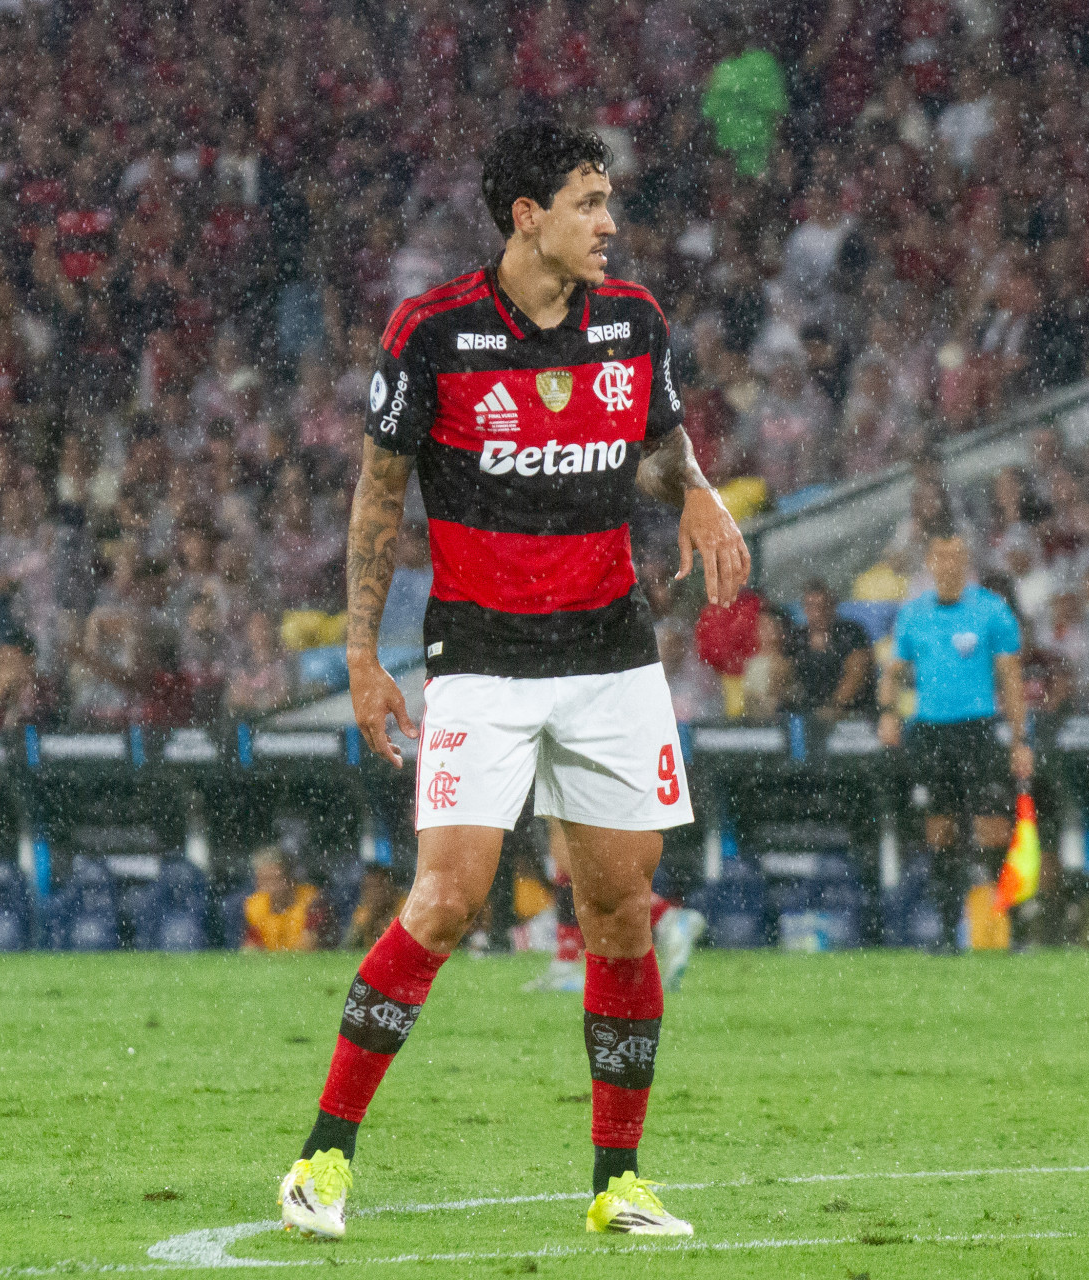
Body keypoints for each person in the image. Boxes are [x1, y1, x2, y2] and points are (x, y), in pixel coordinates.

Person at [278, 122, 748, 1243]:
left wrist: (698, 493)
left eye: (610, 202)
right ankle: (323, 1156)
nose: (609, 223)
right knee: (445, 898)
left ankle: (619, 1178)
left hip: (611, 654)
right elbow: (378, 498)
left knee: (622, 909)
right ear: (525, 214)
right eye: (589, 202)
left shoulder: (633, 321)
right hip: (480, 657)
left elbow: (663, 438)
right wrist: (360, 654)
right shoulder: (433, 333)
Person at [876, 528, 1033, 950]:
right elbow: (891, 674)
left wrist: (1021, 740)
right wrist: (888, 714)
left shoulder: (992, 611)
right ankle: (948, 935)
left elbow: (1012, 681)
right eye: (941, 557)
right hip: (930, 733)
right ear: (930, 563)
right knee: (940, 832)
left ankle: (1010, 930)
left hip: (979, 730)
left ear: (967, 563)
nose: (949, 565)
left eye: (956, 557)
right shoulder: (913, 614)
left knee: (995, 831)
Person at [786, 579, 873, 719]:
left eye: (823, 606)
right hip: (805, 706)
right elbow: (783, 668)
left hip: (846, 709)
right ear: (804, 609)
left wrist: (835, 704)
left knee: (858, 663)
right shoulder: (797, 637)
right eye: (812, 606)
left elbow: (860, 666)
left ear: (833, 606)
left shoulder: (850, 632)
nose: (818, 612)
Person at [241, 847, 330, 952]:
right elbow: (250, 950)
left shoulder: (312, 901)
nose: (270, 887)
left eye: (275, 879)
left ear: (291, 878)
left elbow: (307, 948)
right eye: (263, 880)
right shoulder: (255, 906)